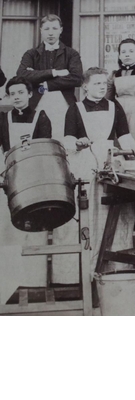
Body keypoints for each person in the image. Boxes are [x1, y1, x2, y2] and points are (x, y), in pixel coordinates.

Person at [51, 67, 135, 283]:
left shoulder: (114, 106)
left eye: (104, 84)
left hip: (109, 162)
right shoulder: (75, 109)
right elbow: (68, 140)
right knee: (85, 216)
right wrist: (78, 143)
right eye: (97, 83)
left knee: (113, 214)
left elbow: (125, 135)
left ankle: (113, 270)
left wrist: (133, 147)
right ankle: (77, 275)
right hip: (84, 164)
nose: (102, 87)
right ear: (85, 86)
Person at [0, 77, 52, 290]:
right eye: (13, 94)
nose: (17, 97)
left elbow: (45, 148)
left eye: (21, 93)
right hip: (10, 177)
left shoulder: (41, 117)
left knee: (34, 225)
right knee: (9, 228)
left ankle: (35, 282)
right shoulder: (3, 118)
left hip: (34, 178)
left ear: (30, 94)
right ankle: (11, 283)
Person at [17, 14, 83, 142]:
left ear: (61, 30)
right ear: (41, 30)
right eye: (47, 29)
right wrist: (54, 72)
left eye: (54, 28)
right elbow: (21, 75)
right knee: (39, 140)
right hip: (37, 102)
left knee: (63, 139)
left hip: (63, 103)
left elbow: (77, 78)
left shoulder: (71, 54)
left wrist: (45, 82)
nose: (51, 33)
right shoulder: (31, 54)